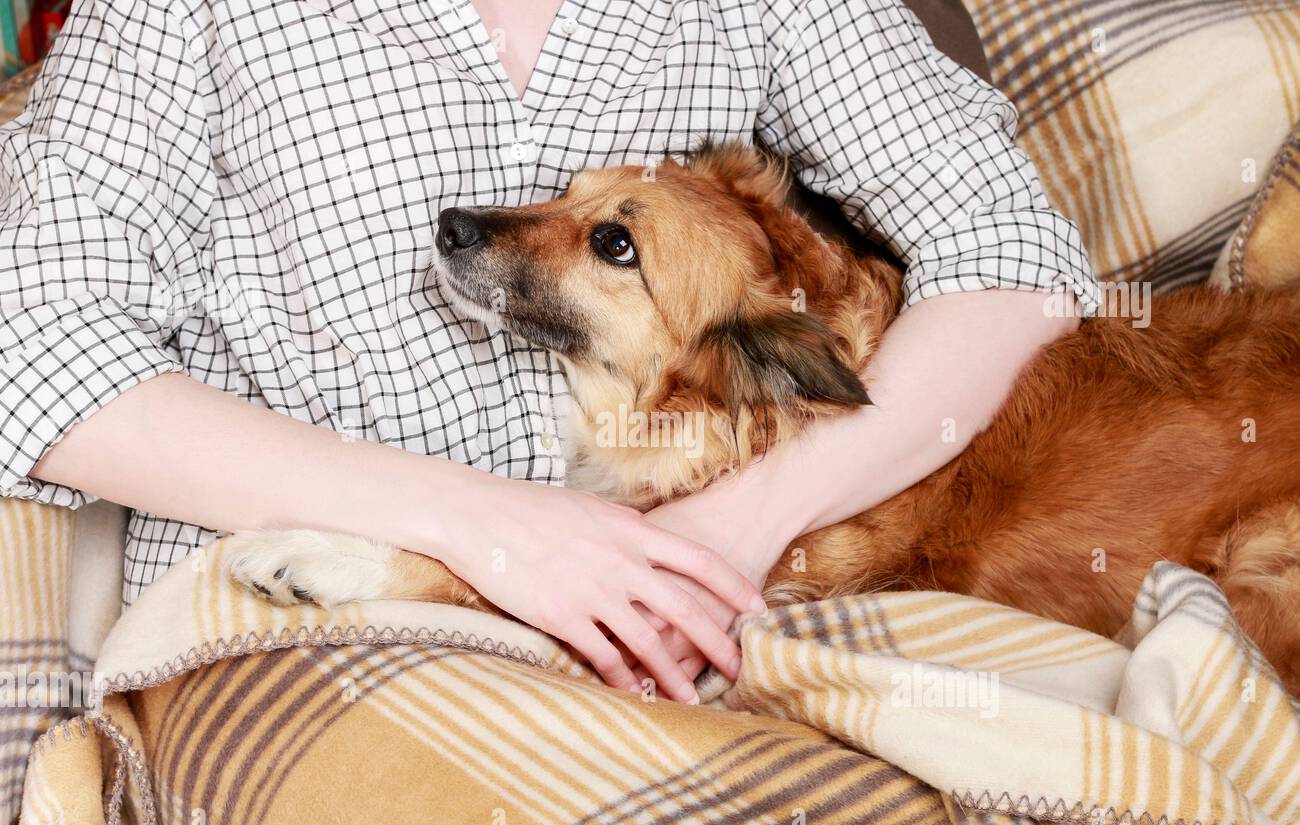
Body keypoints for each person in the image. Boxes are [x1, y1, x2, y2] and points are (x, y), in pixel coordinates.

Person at [0, 0, 1097, 704]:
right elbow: (34, 334)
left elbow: (1013, 251)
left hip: (691, 604)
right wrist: (489, 528)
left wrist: (727, 529)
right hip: (317, 620)